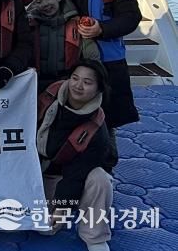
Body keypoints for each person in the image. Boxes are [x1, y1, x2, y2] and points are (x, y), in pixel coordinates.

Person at [50, 0, 141, 130]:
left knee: (107, 121)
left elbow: (131, 17)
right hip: (67, 59)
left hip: (106, 60)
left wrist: (102, 28)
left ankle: (107, 147)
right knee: (66, 119)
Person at [37, 60, 113, 251]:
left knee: (100, 179)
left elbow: (77, 173)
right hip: (36, 172)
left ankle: (94, 237)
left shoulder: (97, 129)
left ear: (99, 89)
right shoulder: (45, 95)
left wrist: (62, 206)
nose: (78, 86)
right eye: (75, 78)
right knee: (44, 229)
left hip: (67, 176)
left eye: (87, 82)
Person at [27, 0, 101, 91]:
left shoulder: (77, 24)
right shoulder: (30, 26)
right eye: (38, 2)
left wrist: (94, 77)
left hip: (69, 83)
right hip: (37, 82)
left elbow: (91, 56)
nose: (45, 4)